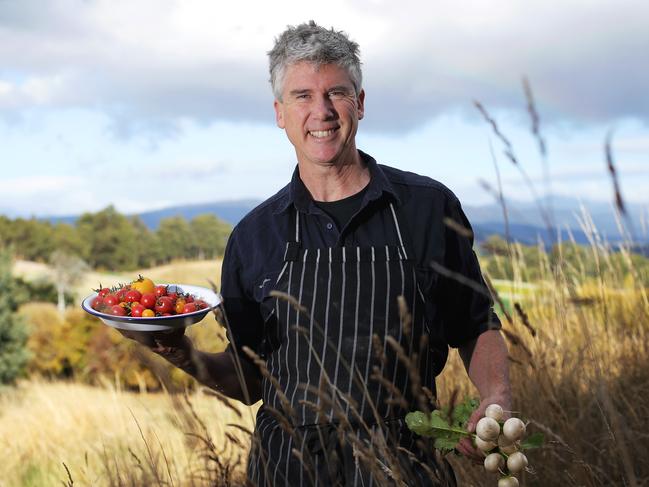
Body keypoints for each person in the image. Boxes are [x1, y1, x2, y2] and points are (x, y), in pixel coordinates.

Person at [120, 21, 511, 486]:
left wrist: (496, 391)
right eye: (302, 95)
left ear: (360, 104)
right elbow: (249, 381)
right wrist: (182, 353)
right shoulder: (252, 237)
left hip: (406, 466)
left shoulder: (427, 208)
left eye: (337, 93)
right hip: (288, 470)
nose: (321, 111)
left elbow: (475, 322)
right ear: (280, 112)